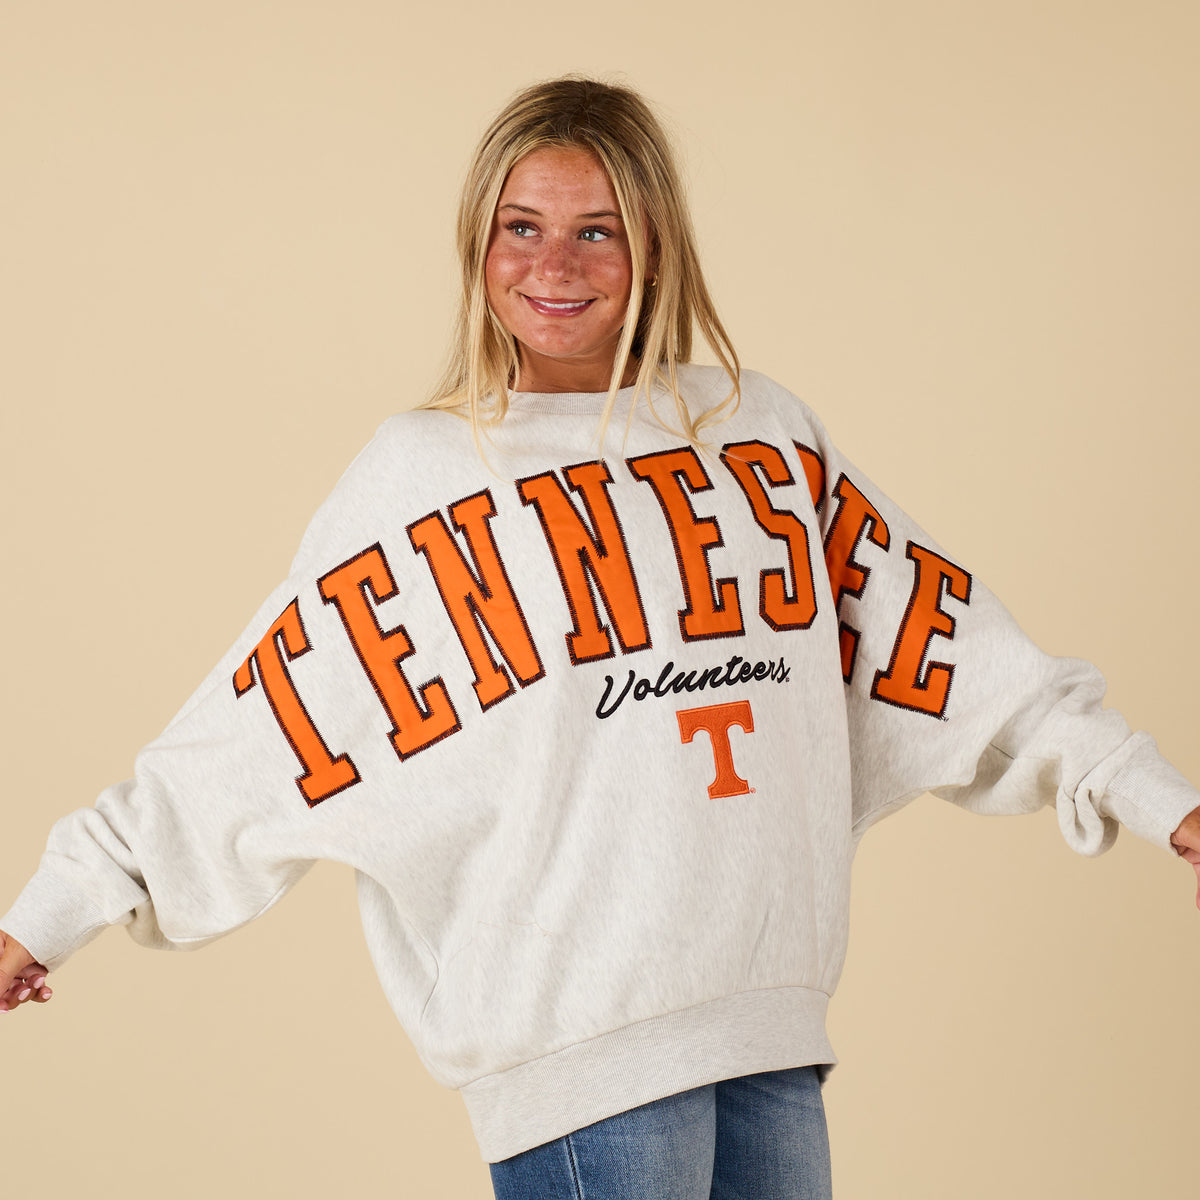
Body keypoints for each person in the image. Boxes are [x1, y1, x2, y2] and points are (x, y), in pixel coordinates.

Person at [2, 76, 1198, 1200]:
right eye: (520, 227)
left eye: (596, 231)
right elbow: (263, 726)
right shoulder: (420, 477)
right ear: (476, 243)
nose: (552, 265)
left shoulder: (761, 440)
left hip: (770, 1027)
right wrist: (45, 915)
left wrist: (1160, 803)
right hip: (581, 1060)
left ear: (655, 247)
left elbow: (958, 651)